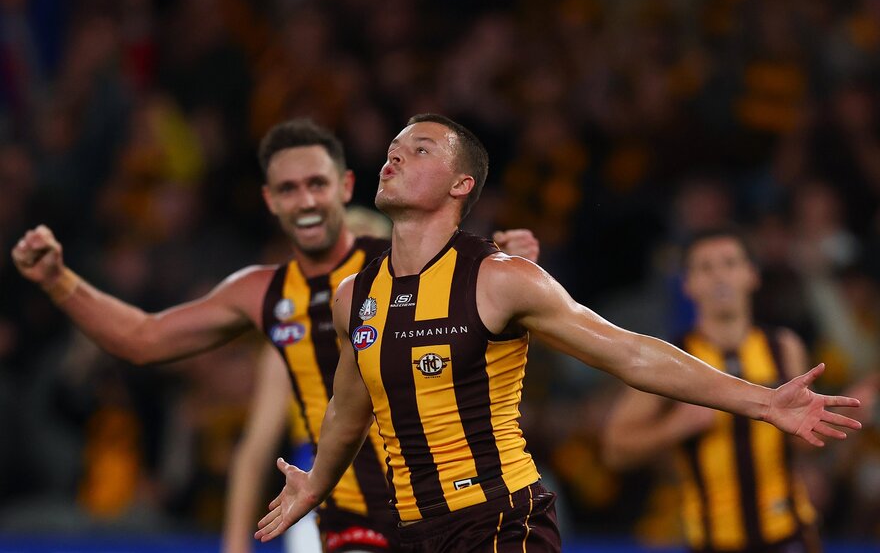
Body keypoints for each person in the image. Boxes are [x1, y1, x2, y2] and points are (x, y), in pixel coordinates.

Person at [251, 114, 862, 553]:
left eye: (420, 150)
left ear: (462, 185)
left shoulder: (501, 279)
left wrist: (762, 401)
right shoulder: (353, 298)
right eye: (393, 147)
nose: (395, 156)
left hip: (499, 522)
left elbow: (628, 352)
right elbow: (347, 410)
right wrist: (317, 484)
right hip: (410, 531)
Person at [10, 117, 540, 553]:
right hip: (348, 517)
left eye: (317, 184)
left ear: (347, 188)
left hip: (447, 506)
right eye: (289, 189)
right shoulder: (266, 296)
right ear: (270, 201)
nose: (305, 201)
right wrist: (59, 281)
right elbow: (145, 339)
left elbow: (470, 296)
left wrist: (509, 262)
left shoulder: (393, 264)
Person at [603, 228, 819, 553]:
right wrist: (675, 426)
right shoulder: (672, 358)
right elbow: (614, 450)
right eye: (705, 267)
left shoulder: (784, 346)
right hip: (711, 541)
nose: (719, 276)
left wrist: (841, 420)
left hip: (790, 535)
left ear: (751, 275)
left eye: (730, 263)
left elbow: (804, 444)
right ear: (688, 284)